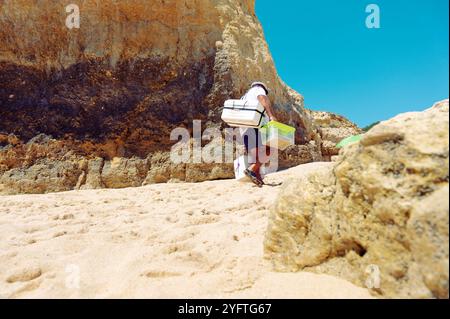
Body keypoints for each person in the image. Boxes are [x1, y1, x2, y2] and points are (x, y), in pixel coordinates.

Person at [240, 82, 278, 187]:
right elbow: (262, 98)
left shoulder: (244, 97)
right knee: (270, 148)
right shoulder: (258, 89)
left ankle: (258, 179)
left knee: (257, 156)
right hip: (255, 126)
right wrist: (270, 115)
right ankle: (251, 169)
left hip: (244, 129)